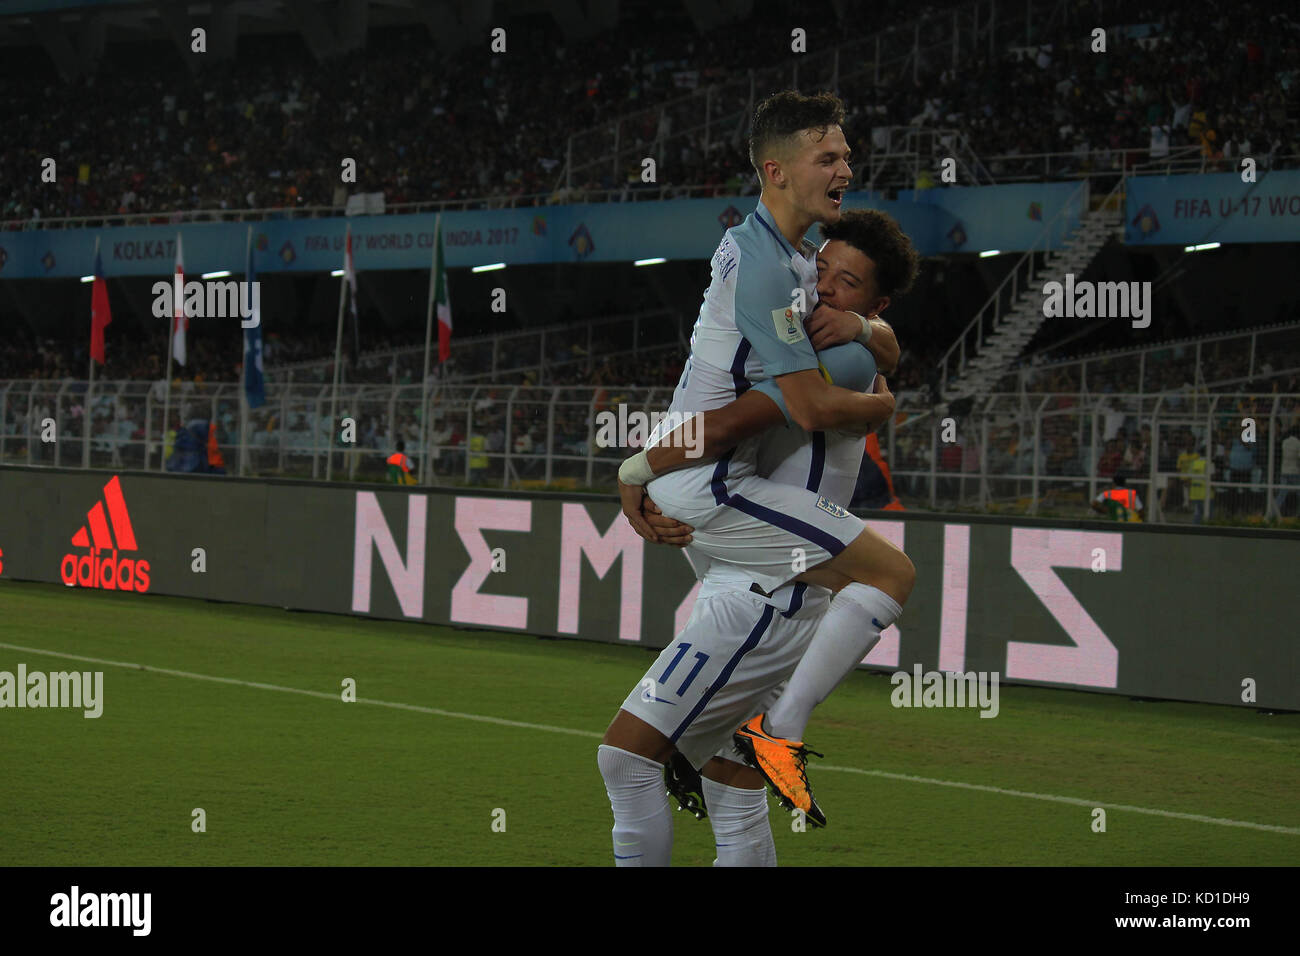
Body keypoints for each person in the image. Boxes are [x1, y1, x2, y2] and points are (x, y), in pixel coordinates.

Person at [598, 93, 916, 857]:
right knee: (889, 574)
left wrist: (871, 333)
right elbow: (794, 407)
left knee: (693, 775)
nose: (847, 167)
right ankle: (778, 726)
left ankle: (773, 729)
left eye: (845, 154)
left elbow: (871, 344)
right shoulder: (775, 272)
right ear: (776, 169)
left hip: (738, 536)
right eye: (828, 157)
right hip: (714, 489)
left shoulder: (795, 258)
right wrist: (880, 403)